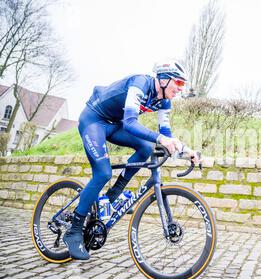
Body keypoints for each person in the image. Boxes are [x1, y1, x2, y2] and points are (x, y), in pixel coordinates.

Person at [64, 61, 200, 260]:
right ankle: (74, 229)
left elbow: (166, 135)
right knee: (102, 173)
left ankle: (114, 193)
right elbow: (129, 123)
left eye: (182, 85)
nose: (180, 88)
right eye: (178, 83)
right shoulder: (140, 83)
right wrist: (161, 139)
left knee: (146, 147)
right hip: (93, 120)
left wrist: (186, 151)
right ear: (163, 79)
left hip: (112, 125)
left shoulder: (165, 101)